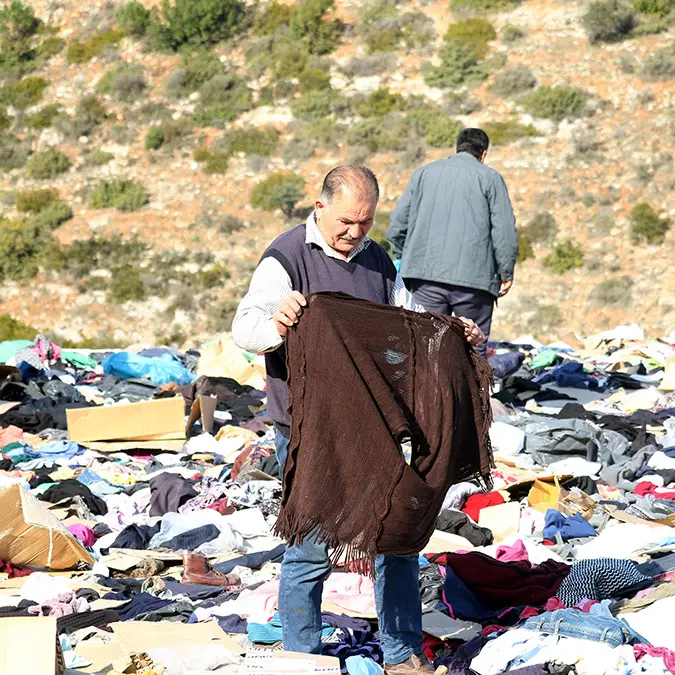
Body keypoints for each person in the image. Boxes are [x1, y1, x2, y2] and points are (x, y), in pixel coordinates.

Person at [232, 166, 484, 674]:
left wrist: (453, 336)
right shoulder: (286, 257)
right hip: (306, 427)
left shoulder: (378, 263)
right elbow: (244, 328)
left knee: (397, 538)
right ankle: (303, 657)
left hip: (374, 425)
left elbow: (407, 327)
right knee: (312, 545)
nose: (355, 232)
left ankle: (402, 655)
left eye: (366, 223)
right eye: (347, 221)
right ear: (320, 207)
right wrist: (280, 322)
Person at [387, 128, 518, 358]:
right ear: (483, 154)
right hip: (474, 283)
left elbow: (397, 224)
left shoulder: (423, 174)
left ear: (457, 147)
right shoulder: (490, 178)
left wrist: (400, 257)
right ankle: (471, 394)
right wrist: (505, 272)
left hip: (425, 278)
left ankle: (423, 394)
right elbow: (504, 230)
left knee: (424, 344)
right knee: (473, 348)